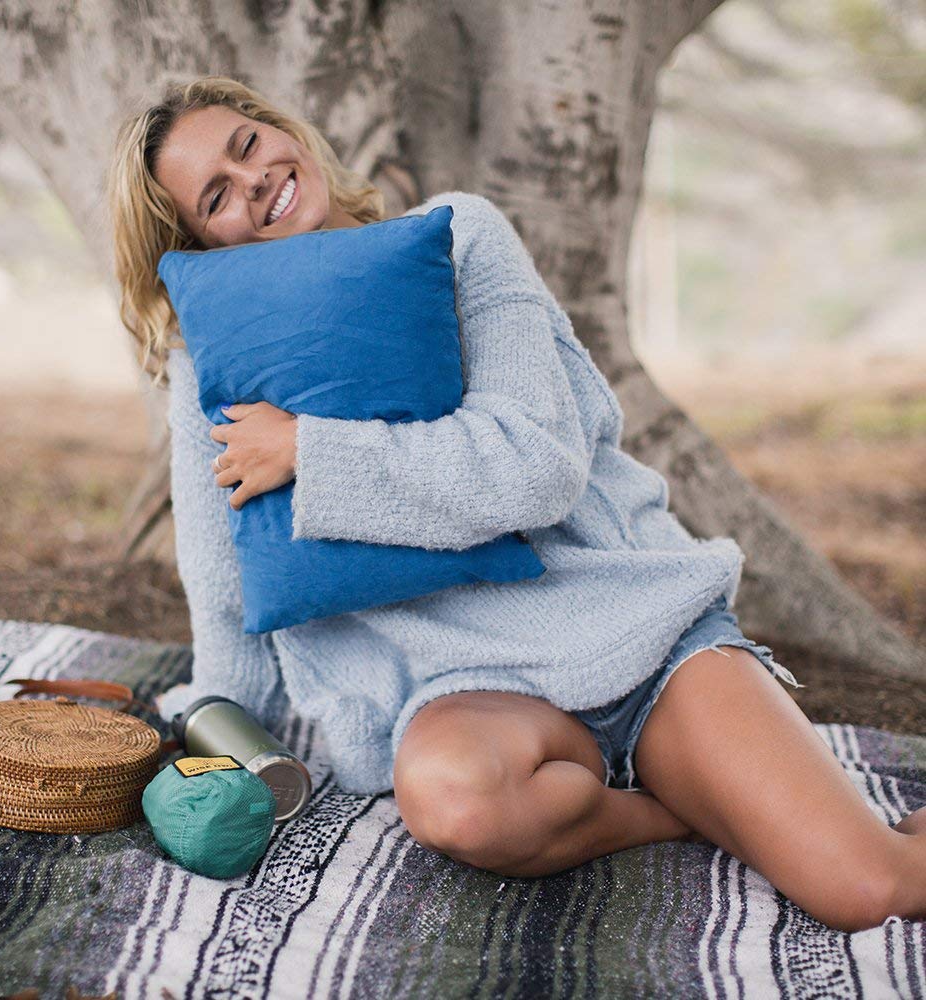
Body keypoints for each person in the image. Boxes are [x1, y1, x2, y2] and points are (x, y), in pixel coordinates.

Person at [108, 74, 926, 931]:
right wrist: (213, 733)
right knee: (455, 803)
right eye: (216, 197)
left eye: (248, 146)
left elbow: (535, 468)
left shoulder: (461, 237)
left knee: (872, 889)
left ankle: (726, 783)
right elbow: (229, 592)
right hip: (465, 693)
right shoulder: (212, 372)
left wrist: (309, 450)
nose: (254, 182)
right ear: (199, 250)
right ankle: (693, 808)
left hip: (635, 635)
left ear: (281, 131)